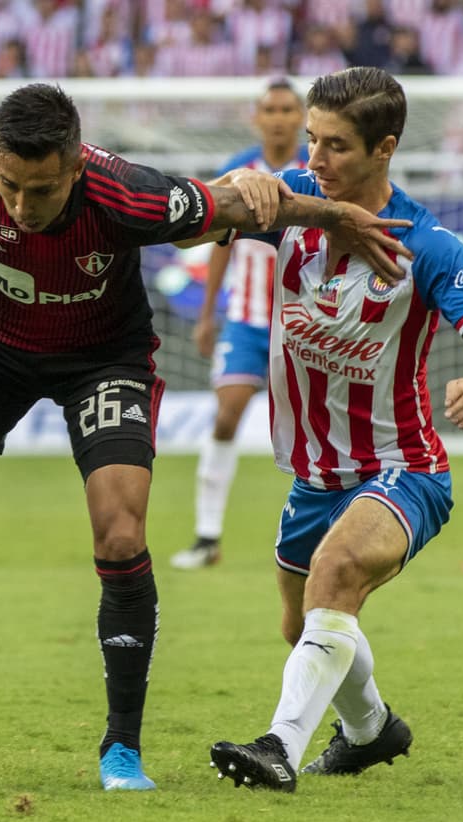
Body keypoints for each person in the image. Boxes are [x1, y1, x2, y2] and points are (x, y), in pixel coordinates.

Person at [0, 83, 412, 792]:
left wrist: (335, 216)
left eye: (42, 190)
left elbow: (236, 206)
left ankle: (121, 748)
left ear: (76, 165)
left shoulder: (128, 195)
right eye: (10, 186)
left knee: (119, 533)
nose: (23, 206)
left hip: (104, 362)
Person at [206, 67, 463, 792]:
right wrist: (234, 190)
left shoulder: (427, 243)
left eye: (336, 146)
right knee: (304, 625)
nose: (314, 159)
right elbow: (194, 218)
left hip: (401, 466)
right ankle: (372, 730)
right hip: (314, 475)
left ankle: (279, 747)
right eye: (312, 140)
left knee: (336, 571)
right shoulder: (294, 197)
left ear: (385, 149)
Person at [169, 79, 308, 571]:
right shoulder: (239, 171)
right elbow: (218, 242)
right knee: (226, 416)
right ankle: (207, 537)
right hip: (247, 320)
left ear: (301, 117)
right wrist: (208, 314)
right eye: (270, 109)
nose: (278, 118)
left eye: (287, 109)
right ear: (257, 117)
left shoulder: (315, 171)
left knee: (318, 429)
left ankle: (326, 532)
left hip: (305, 322)